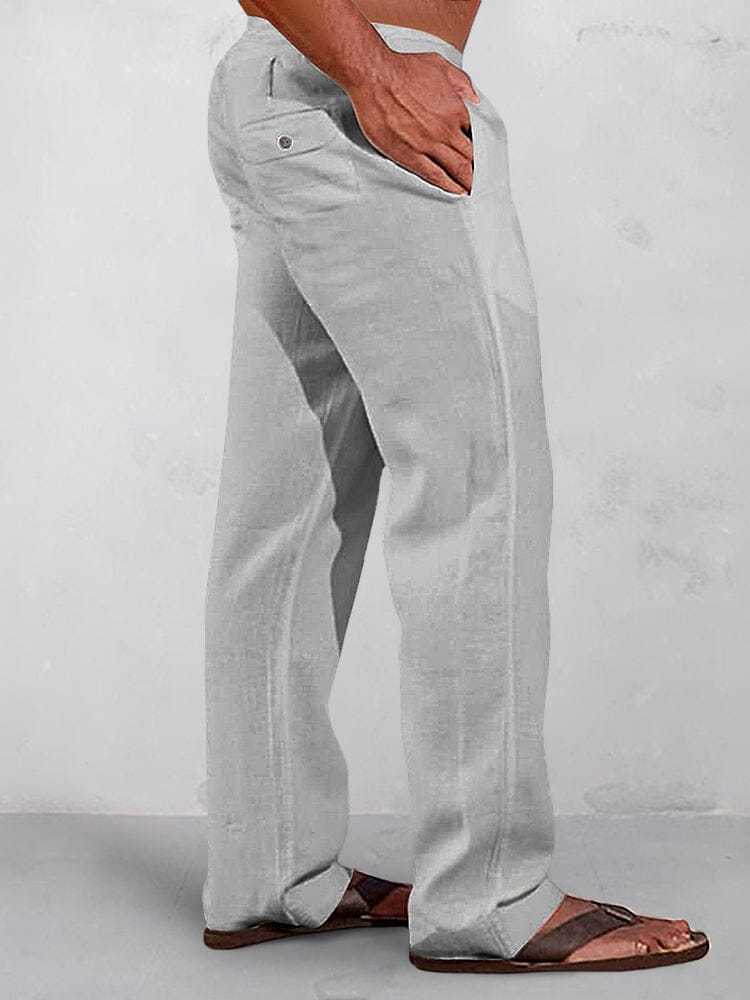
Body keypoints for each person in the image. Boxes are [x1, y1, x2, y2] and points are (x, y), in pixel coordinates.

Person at [200, 0, 709, 973]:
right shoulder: (374, 81)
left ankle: (269, 872)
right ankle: (490, 896)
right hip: (365, 102)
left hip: (286, 85)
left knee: (285, 519)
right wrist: (375, 72)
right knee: (481, 490)